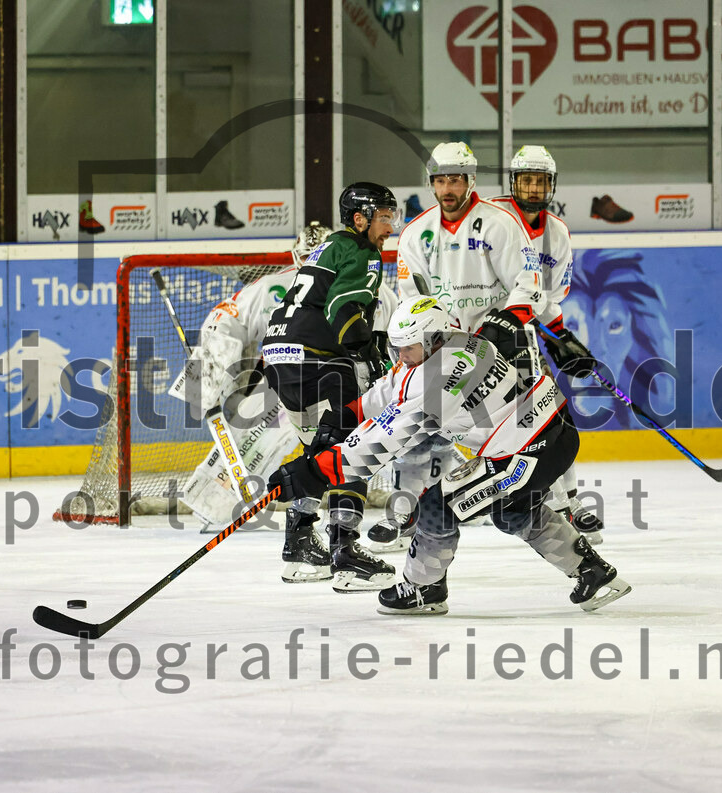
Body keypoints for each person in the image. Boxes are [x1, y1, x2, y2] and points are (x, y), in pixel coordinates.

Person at [268, 296, 632, 615]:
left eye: (407, 348)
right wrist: (345, 416)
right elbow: (394, 386)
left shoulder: (443, 378)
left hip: (530, 447)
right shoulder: (454, 344)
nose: (401, 356)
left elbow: (387, 439)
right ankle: (593, 574)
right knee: (513, 511)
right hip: (544, 432)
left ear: (434, 339)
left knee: (437, 505)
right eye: (398, 348)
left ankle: (423, 589)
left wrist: (314, 472)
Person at [368, 141, 545, 554]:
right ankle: (402, 513)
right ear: (432, 183)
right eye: (441, 180)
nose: (448, 188)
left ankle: (553, 507)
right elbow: (412, 299)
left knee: (525, 427)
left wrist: (508, 321)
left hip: (499, 347)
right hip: (442, 351)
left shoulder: (499, 224)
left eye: (456, 179)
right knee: (418, 430)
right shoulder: (416, 233)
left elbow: (528, 282)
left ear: (470, 181)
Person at [261, 182, 403, 592]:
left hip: (281, 355)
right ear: (359, 219)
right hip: (318, 358)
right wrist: (366, 349)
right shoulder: (362, 251)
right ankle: (345, 554)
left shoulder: (329, 248)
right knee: (352, 447)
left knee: (318, 453)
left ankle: (299, 544)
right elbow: (342, 308)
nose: (389, 224)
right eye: (383, 216)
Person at [169, 221, 333, 529]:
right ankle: (215, 504)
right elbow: (225, 318)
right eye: (306, 258)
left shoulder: (355, 287)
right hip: (283, 382)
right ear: (296, 257)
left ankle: (365, 509)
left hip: (337, 382)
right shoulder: (272, 288)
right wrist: (207, 375)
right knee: (253, 441)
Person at [488, 145, 605, 539]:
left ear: (551, 185)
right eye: (526, 180)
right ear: (513, 183)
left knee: (551, 415)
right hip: (476, 336)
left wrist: (562, 337)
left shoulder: (556, 233)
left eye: (540, 181)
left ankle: (567, 504)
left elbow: (546, 297)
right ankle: (412, 511)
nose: (533, 189)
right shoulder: (492, 217)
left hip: (520, 335)